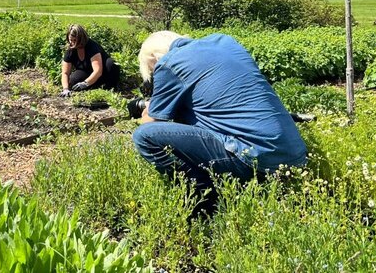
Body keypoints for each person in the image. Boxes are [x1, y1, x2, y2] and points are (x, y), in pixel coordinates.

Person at [131, 31, 307, 219]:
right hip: (296, 157)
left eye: (153, 70)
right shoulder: (225, 42)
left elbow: (153, 122)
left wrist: (149, 109)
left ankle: (205, 201)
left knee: (144, 135)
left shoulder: (169, 63)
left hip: (254, 157)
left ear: (155, 57)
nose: (156, 77)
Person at [59, 24, 120, 97]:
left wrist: (85, 83)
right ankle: (93, 87)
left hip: (103, 74)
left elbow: (98, 71)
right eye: (70, 40)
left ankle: (110, 88)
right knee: (73, 81)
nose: (72, 43)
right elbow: (65, 73)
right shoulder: (70, 50)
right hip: (87, 72)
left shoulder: (92, 47)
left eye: (75, 40)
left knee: (112, 64)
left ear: (81, 39)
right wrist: (65, 89)